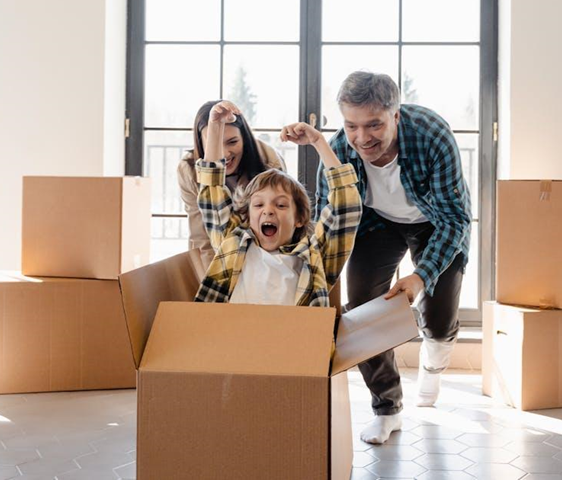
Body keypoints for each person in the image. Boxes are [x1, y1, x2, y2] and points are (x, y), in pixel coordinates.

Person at [314, 72, 472, 444]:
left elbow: (456, 219)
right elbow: (328, 217)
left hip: (434, 220)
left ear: (396, 115)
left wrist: (420, 276)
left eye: (374, 125)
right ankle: (387, 409)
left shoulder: (432, 135)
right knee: (363, 310)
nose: (362, 137)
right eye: (351, 125)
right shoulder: (339, 149)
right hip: (376, 223)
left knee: (438, 317)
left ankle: (434, 361)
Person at [193, 101, 361, 306]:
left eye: (281, 205)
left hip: (291, 337)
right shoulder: (233, 245)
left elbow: (346, 209)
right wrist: (215, 125)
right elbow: (212, 193)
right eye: (258, 205)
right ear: (246, 216)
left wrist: (318, 141)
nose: (268, 211)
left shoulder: (313, 257)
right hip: (236, 336)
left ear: (299, 219)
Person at [178, 100, 284, 280]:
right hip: (220, 251)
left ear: (245, 138)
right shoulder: (188, 170)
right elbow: (200, 237)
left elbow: (281, 227)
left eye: (232, 142)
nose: (225, 153)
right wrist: (216, 284)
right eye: (215, 142)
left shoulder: (268, 160)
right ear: (201, 143)